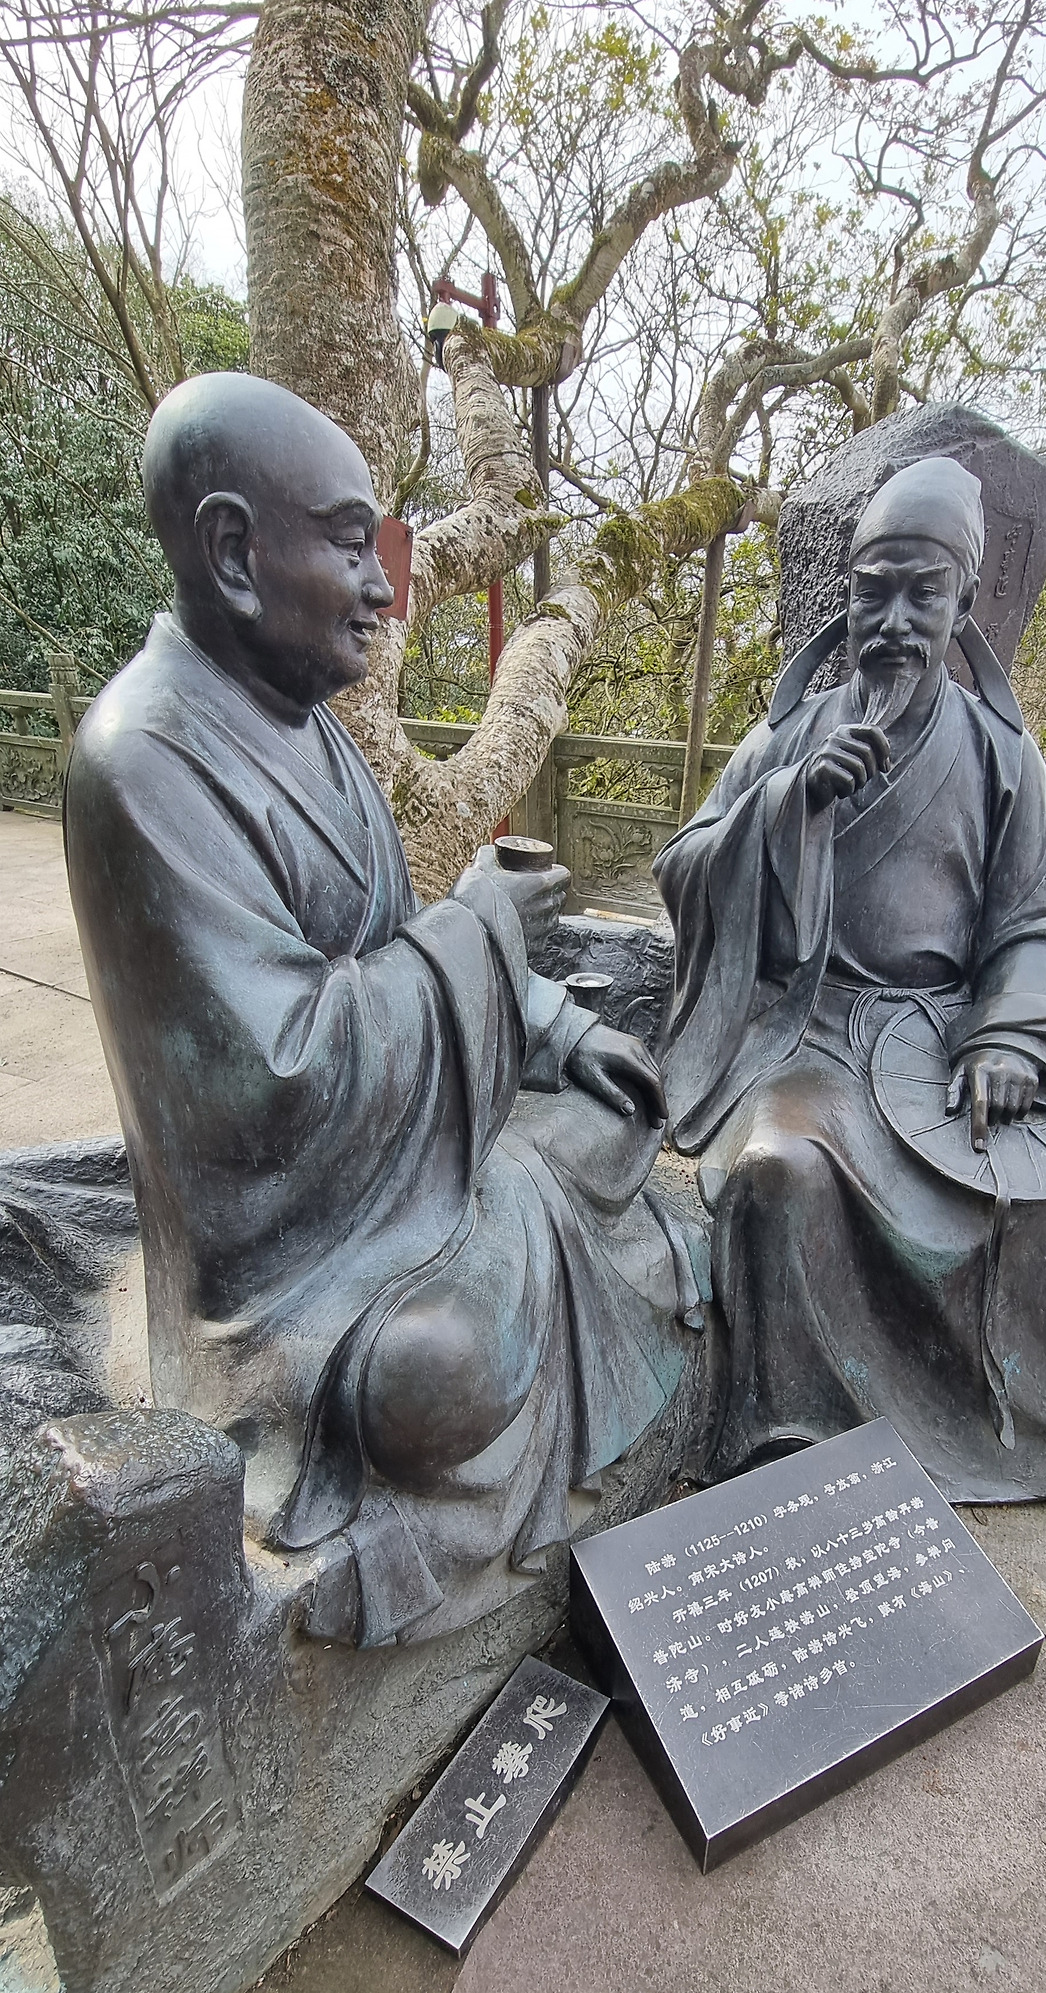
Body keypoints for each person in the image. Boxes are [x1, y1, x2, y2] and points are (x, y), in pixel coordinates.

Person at [64, 372, 704, 1647]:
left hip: (396, 1174)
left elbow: (390, 941)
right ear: (235, 554)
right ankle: (526, 1267)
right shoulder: (142, 759)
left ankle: (533, 1221)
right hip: (285, 1266)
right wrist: (481, 930)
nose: (383, 589)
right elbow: (269, 1080)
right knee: (436, 1374)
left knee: (611, 1121)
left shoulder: (313, 732)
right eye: (351, 546)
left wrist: (560, 1030)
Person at [654, 454, 1046, 1543]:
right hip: (809, 1032)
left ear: (963, 601)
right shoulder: (788, 734)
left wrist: (1007, 1036)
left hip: (945, 1032)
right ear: (847, 596)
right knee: (778, 1176)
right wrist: (784, 803)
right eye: (874, 593)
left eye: (923, 594)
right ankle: (789, 1437)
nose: (893, 621)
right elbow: (683, 868)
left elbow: (1037, 921)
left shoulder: (1002, 757)